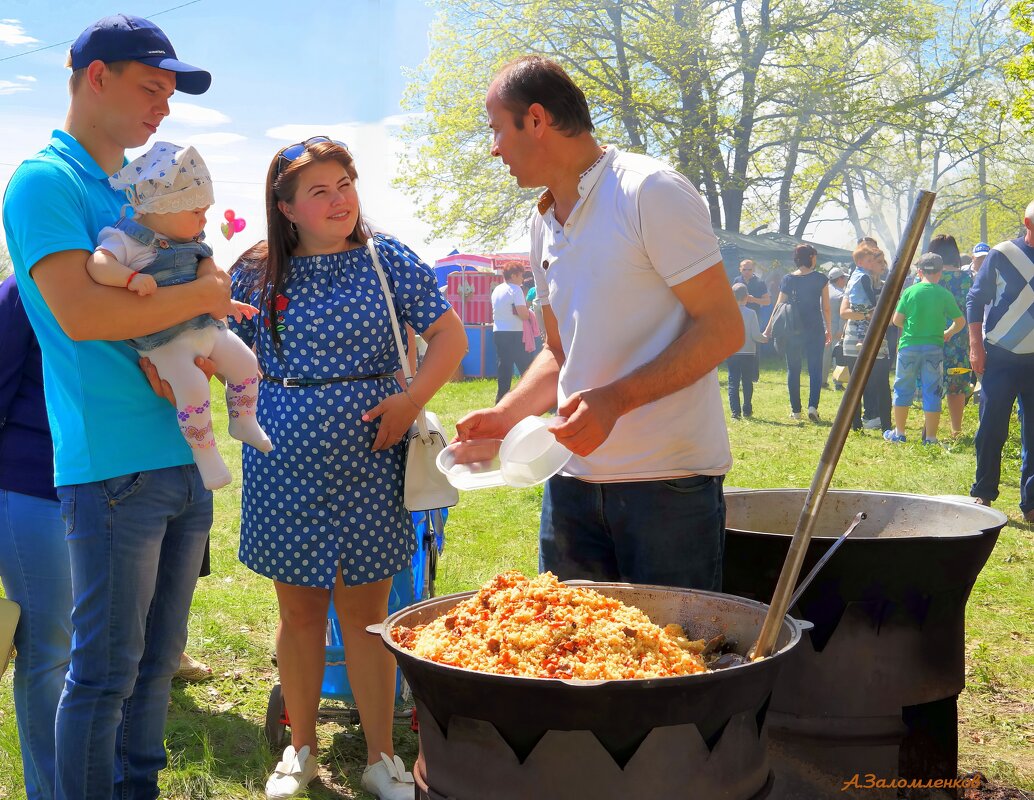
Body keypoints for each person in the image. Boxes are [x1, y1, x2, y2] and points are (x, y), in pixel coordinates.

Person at [1, 15, 222, 798]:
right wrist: (201, 295)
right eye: (149, 87)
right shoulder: (44, 181)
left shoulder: (140, 182)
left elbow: (200, 298)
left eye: (169, 93)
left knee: (155, 670)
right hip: (110, 468)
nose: (163, 106)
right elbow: (83, 316)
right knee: (98, 677)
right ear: (95, 77)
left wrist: (195, 322)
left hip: (180, 455)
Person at [228, 137, 465, 799]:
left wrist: (412, 399)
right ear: (286, 207)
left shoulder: (386, 260)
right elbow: (225, 351)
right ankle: (299, 751)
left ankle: (381, 757)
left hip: (372, 459)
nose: (338, 201)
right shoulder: (254, 271)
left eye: (345, 185)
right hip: (283, 466)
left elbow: (448, 336)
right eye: (319, 191)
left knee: (366, 614)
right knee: (300, 613)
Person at [458, 56, 742, 591]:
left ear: (536, 120)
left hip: (667, 485)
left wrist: (615, 400)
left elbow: (723, 329)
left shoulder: (649, 190)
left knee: (673, 665)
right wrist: (506, 413)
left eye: (497, 128)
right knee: (570, 658)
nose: (494, 148)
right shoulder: (542, 222)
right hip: (569, 485)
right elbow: (561, 350)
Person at [86, 141, 271, 489]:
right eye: (196, 211)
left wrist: (227, 305)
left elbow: (211, 288)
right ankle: (206, 454)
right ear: (164, 207)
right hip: (164, 339)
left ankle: (243, 418)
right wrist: (128, 277)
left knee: (247, 363)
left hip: (205, 326)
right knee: (193, 389)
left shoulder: (195, 242)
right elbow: (97, 264)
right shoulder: (126, 239)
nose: (204, 220)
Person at [0, 275, 71, 800]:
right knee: (48, 648)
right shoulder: (23, 288)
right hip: (30, 483)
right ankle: (50, 792)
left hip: (104, 486)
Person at [967, 203, 1034, 521]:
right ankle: (983, 492)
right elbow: (975, 298)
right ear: (1027, 223)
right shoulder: (1003, 253)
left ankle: (1032, 503)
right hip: (999, 356)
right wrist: (976, 346)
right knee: (992, 427)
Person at [884, 253, 965, 444]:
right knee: (932, 390)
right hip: (934, 348)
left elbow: (897, 320)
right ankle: (930, 437)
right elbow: (960, 322)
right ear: (941, 272)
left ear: (919, 271)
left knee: (902, 388)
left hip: (908, 347)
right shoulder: (944, 294)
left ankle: (900, 433)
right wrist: (948, 332)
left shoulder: (910, 292)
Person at [762, 244, 831, 422]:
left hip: (792, 330)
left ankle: (796, 411)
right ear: (811, 257)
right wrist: (828, 329)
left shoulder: (788, 279)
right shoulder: (821, 278)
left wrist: (768, 329)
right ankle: (813, 407)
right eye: (814, 256)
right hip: (815, 329)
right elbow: (826, 308)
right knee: (815, 369)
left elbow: (778, 306)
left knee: (793, 369)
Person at [840, 244, 892, 431]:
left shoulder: (886, 287)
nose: (879, 266)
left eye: (879, 262)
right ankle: (855, 425)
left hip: (878, 339)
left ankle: (886, 424)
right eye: (875, 262)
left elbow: (889, 314)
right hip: (854, 338)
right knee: (855, 385)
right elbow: (844, 312)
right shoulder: (858, 280)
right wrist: (867, 315)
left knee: (881, 384)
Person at [926, 233, 973, 439]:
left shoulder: (929, 279)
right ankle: (956, 429)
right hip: (960, 337)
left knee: (932, 381)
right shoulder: (966, 278)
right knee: (957, 385)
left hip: (931, 334)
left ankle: (929, 429)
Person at [491, 260, 534, 401]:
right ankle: (531, 396)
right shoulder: (516, 290)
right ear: (514, 275)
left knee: (504, 366)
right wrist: (529, 313)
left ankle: (501, 399)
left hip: (498, 331)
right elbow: (523, 314)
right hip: (515, 333)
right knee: (526, 367)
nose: (522, 279)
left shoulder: (497, 289)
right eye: (521, 275)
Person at [726, 284, 768, 419]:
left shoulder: (727, 312)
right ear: (747, 297)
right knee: (747, 382)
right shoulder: (751, 313)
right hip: (748, 352)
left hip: (732, 352)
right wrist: (765, 338)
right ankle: (747, 409)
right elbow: (755, 335)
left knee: (733, 382)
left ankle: (735, 412)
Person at [824, 265, 849, 390]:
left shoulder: (823, 291)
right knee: (837, 355)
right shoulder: (841, 294)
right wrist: (841, 330)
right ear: (839, 279)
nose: (845, 281)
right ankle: (837, 382)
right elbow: (842, 316)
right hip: (836, 327)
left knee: (824, 356)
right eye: (844, 278)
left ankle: (822, 381)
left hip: (823, 326)